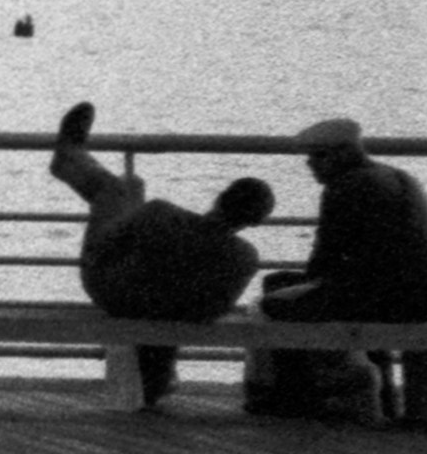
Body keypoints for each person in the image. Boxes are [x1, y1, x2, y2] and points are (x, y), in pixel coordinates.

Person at [44, 101, 272, 408]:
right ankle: (155, 381)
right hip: (175, 315)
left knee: (114, 193)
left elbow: (106, 248)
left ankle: (70, 158)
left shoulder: (161, 214)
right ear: (256, 222)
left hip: (113, 293)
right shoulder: (244, 258)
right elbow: (212, 310)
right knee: (169, 288)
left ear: (220, 196)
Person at [254, 115, 427, 421]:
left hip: (377, 298)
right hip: (416, 294)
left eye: (319, 156)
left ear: (345, 153)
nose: (311, 165)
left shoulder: (344, 188)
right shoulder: (401, 177)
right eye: (309, 158)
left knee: (274, 298)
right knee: (329, 288)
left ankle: (294, 397)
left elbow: (324, 260)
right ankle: (385, 395)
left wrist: (306, 285)